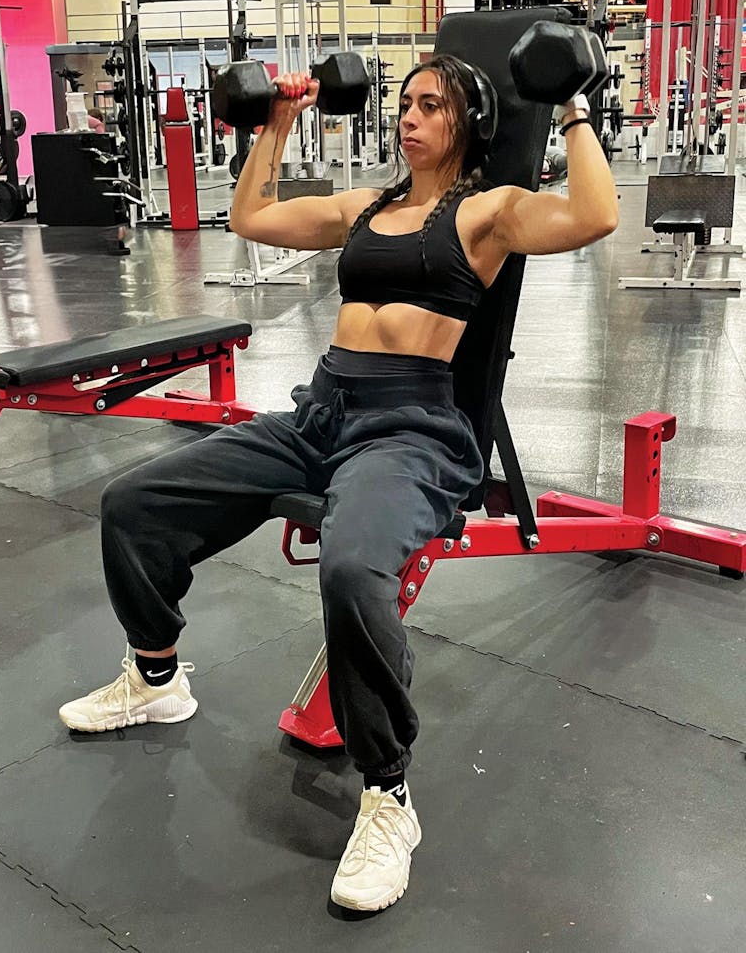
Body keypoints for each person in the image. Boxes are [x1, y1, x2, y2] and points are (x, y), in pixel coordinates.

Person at [59, 53, 619, 913]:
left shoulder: (487, 214)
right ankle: (156, 679)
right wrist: (276, 127)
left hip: (411, 431)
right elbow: (249, 215)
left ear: (466, 122)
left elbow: (595, 214)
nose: (410, 117)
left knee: (354, 570)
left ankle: (387, 795)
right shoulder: (367, 207)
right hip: (321, 414)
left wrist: (571, 99)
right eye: (403, 104)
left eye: (430, 105)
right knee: (136, 503)